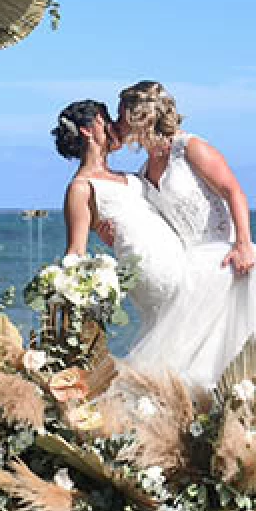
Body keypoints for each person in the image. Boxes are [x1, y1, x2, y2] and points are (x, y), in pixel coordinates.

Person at [112, 80, 256, 382]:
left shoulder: (190, 149)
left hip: (226, 259)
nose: (117, 122)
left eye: (121, 115)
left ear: (142, 117)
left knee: (236, 351)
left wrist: (243, 244)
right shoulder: (143, 171)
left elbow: (234, 191)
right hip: (190, 267)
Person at [52, 100, 185, 345]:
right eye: (108, 120)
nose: (116, 126)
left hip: (177, 259)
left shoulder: (131, 177)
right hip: (151, 274)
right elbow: (76, 252)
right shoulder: (80, 187)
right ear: (88, 129)